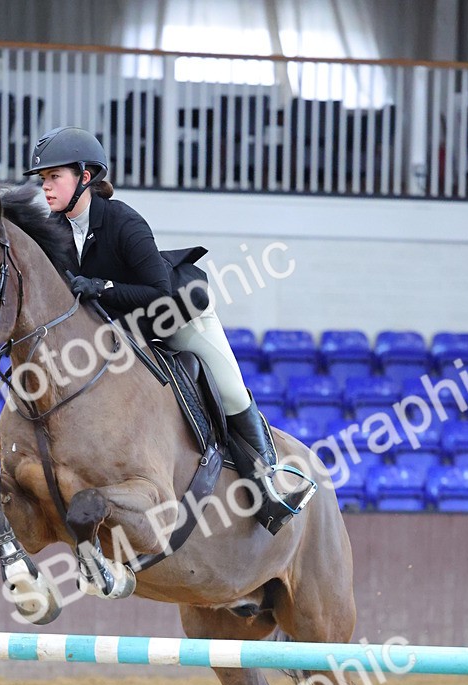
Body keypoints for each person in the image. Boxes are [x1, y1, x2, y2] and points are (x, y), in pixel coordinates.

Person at [23, 126, 315, 533]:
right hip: (123, 327)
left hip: (174, 313)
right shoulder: (54, 230)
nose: (46, 187)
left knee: (229, 391)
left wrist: (103, 287)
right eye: (43, 179)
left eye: (54, 177)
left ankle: (271, 484)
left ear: (85, 178)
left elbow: (157, 291)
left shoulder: (124, 221)